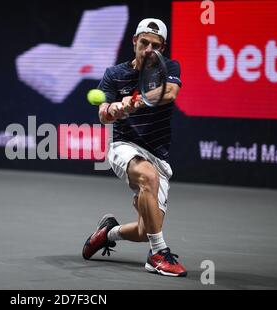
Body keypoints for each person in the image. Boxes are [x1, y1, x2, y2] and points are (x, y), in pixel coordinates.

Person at [82, 18, 187, 277]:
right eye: (144, 43)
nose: (149, 49)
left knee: (145, 230)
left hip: (158, 154)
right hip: (124, 147)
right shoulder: (114, 75)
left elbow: (170, 92)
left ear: (162, 49)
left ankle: (108, 233)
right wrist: (113, 109)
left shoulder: (169, 68)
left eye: (155, 45)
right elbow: (103, 114)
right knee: (147, 176)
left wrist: (134, 101)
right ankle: (158, 255)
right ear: (134, 42)